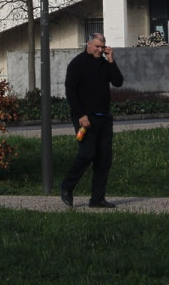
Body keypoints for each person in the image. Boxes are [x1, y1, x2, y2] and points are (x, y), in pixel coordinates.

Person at [60, 32, 124, 209]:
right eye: (96, 46)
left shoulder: (104, 63)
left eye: (102, 47)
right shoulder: (77, 64)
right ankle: (67, 186)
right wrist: (80, 115)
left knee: (104, 159)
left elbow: (118, 82)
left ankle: (97, 198)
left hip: (104, 117)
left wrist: (111, 60)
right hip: (85, 118)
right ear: (88, 44)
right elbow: (70, 92)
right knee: (87, 154)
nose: (99, 50)